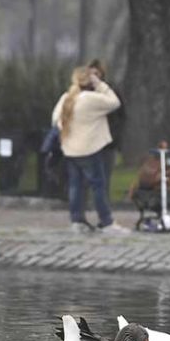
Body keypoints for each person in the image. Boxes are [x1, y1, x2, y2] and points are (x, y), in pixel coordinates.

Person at [51, 67, 129, 234]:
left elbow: (56, 119)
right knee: (98, 186)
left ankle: (77, 220)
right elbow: (114, 102)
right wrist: (100, 84)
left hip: (70, 150)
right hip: (89, 149)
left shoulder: (67, 98)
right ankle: (106, 221)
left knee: (75, 186)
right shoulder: (90, 99)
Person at [86, 59, 124, 198]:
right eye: (90, 74)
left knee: (105, 176)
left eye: (96, 74)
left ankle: (103, 204)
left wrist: (115, 135)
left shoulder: (111, 92)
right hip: (90, 141)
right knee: (90, 177)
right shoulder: (85, 93)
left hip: (108, 142)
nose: (93, 77)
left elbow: (121, 114)